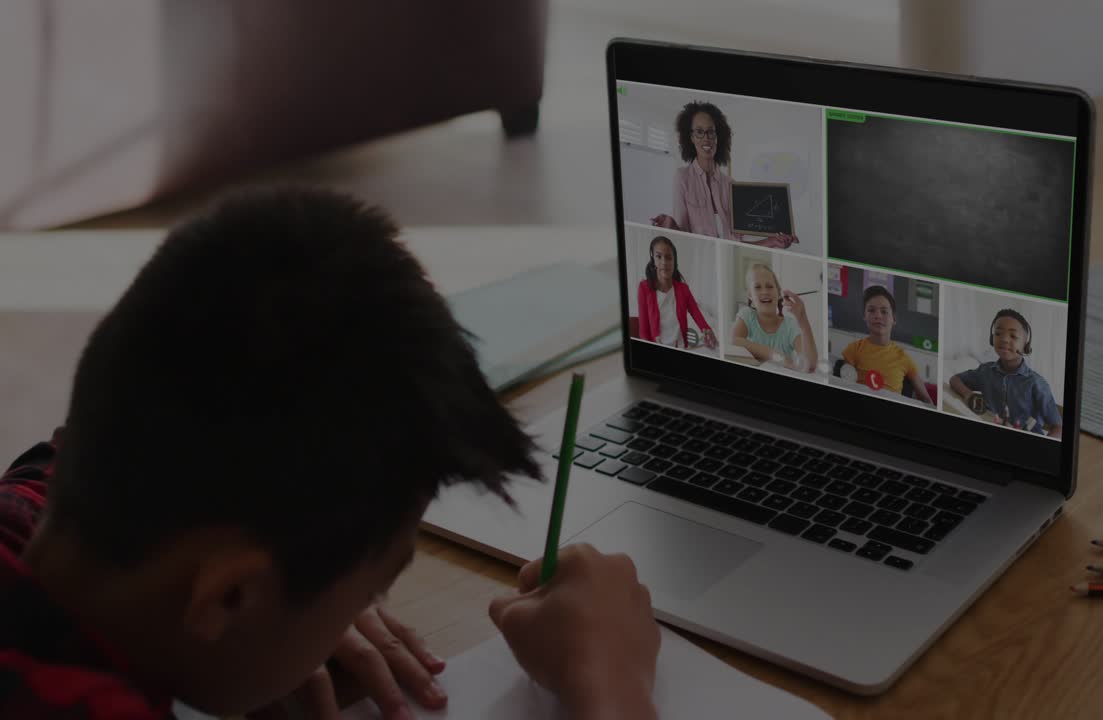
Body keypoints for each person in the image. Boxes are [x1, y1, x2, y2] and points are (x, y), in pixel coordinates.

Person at [0, 189, 660, 720]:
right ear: (228, 597)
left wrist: (286, 615)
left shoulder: (37, 520)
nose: (365, 611)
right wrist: (610, 683)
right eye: (370, 590)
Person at [649, 101, 799, 250]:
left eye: (711, 132)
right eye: (699, 132)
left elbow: (736, 245)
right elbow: (682, 238)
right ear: (691, 137)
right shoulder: (682, 178)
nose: (706, 138)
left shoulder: (731, 185)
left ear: (718, 136)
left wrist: (772, 242)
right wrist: (671, 226)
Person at [948, 308, 1063, 438]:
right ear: (991, 338)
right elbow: (955, 379)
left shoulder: (1037, 383)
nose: (1004, 339)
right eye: (998, 333)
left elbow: (1058, 427)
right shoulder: (985, 371)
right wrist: (968, 395)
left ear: (1025, 345)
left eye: (1013, 336)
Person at [836, 286, 934, 407]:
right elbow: (844, 385)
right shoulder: (854, 349)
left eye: (884, 311)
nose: (878, 315)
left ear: (894, 319)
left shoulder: (904, 358)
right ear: (864, 316)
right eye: (871, 310)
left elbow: (927, 401)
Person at [635, 235, 717, 350]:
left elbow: (696, 313)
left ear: (674, 261)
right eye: (659, 257)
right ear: (653, 260)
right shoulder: (644, 288)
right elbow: (643, 331)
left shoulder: (683, 289)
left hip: (682, 347)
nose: (664, 262)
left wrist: (707, 330)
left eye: (668, 257)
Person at [731, 263, 817, 372]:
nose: (765, 292)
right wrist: (773, 354)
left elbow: (810, 365)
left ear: (779, 294)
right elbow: (734, 340)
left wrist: (802, 318)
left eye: (770, 286)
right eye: (757, 287)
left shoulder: (790, 326)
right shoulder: (747, 315)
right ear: (750, 295)